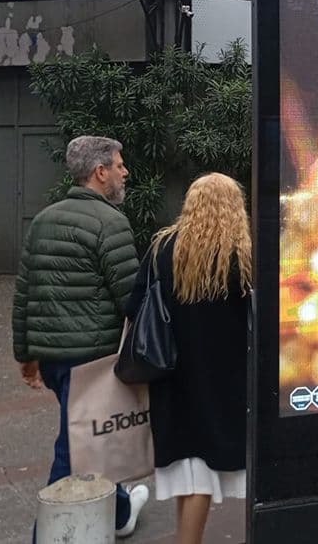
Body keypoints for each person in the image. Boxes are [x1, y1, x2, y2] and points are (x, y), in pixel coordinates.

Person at [13, 135, 149, 538]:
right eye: (120, 165)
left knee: (89, 433)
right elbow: (132, 299)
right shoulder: (111, 223)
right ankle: (50, 533)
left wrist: (26, 354)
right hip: (91, 361)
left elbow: (24, 292)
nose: (125, 173)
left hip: (54, 360)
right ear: (100, 172)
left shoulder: (43, 220)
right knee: (74, 447)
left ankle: (120, 511)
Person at [125, 173, 252, 544]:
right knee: (203, 469)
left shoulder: (163, 248)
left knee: (188, 467)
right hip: (223, 378)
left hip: (170, 372)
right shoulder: (240, 256)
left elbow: (133, 306)